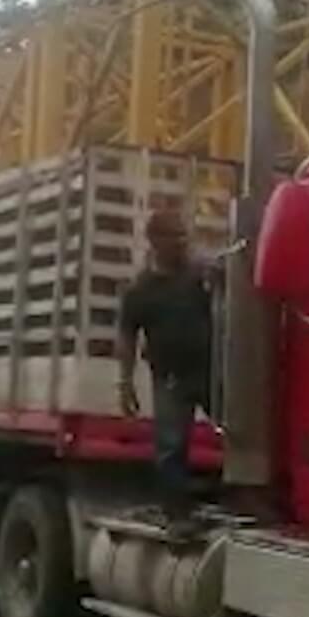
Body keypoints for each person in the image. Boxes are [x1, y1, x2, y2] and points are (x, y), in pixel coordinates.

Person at [116, 208, 212, 530]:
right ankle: (176, 515)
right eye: (174, 237)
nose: (182, 243)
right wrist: (125, 383)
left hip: (208, 371)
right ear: (155, 241)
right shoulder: (141, 290)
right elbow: (127, 334)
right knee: (171, 446)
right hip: (171, 376)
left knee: (240, 430)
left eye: (184, 235)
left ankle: (246, 497)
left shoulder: (198, 276)